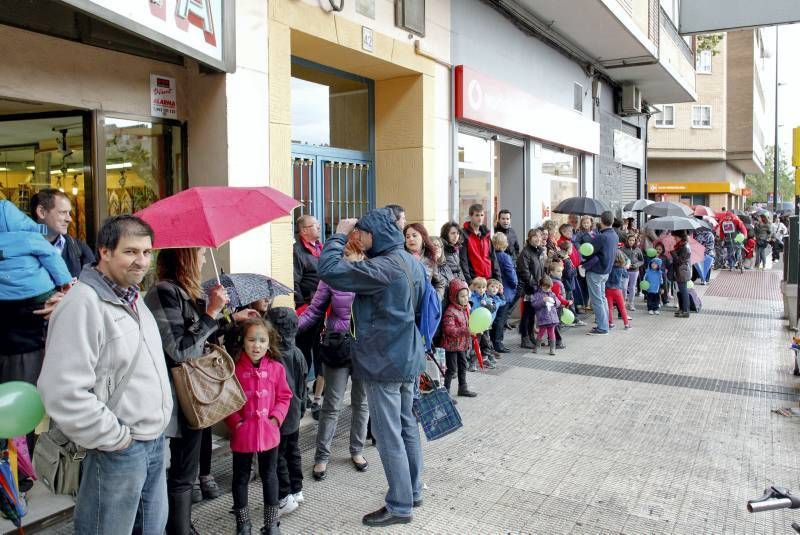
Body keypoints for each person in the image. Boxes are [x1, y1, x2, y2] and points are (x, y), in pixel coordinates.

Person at [38, 215, 173, 534]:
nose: (141, 261)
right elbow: (62, 391)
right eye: (130, 252)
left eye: (146, 252)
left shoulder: (133, 297)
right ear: (104, 252)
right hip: (117, 450)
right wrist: (117, 439)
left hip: (153, 442)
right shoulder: (82, 304)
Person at [318, 208, 426, 527]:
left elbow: (328, 269)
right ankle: (413, 490)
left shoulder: (381, 267)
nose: (356, 237)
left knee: (386, 431)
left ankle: (399, 504)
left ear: (373, 235)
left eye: (360, 233)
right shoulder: (409, 261)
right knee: (406, 426)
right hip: (407, 354)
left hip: (385, 361)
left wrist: (338, 233)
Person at [144, 247, 257, 534]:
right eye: (200, 254)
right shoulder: (163, 292)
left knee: (187, 467)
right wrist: (210, 312)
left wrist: (231, 318)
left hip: (196, 393)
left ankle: (182, 525)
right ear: (185, 256)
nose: (205, 259)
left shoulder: (184, 292)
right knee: (181, 471)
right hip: (177, 393)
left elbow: (204, 338)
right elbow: (180, 350)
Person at [299, 239, 369, 482]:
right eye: (346, 254)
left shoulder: (371, 276)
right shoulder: (331, 277)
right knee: (332, 404)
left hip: (364, 347)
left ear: (363, 255)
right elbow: (314, 310)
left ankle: (357, 451)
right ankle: (321, 457)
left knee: (361, 402)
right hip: (338, 345)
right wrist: (291, 329)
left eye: (355, 254)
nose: (351, 259)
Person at [225, 318, 293, 535]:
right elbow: (227, 400)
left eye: (262, 340)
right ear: (243, 341)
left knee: (270, 475)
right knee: (241, 477)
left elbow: (284, 396)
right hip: (243, 432)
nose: (257, 345)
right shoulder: (233, 369)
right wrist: (237, 422)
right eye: (252, 339)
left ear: (269, 342)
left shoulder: (276, 368)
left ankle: (272, 524)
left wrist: (275, 419)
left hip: (269, 431)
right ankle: (243, 524)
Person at [267, 306, 308, 518]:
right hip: (295, 412)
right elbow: (303, 382)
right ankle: (297, 489)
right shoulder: (298, 353)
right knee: (293, 450)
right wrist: (303, 405)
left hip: (279, 413)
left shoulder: (273, 357)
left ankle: (284, 496)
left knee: (279, 455)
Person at [293, 214, 325, 419]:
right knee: (303, 355)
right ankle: (302, 393)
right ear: (304, 230)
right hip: (307, 311)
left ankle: (318, 401)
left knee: (322, 356)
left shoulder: (322, 248)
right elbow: (295, 281)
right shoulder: (297, 252)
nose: (319, 227)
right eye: (314, 225)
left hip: (325, 311)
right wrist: (303, 304)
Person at [30, 188, 95, 278]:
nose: (69, 219)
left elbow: (93, 287)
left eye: (69, 213)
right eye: (63, 212)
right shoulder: (18, 251)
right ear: (42, 212)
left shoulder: (80, 249)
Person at [580, 211, 617, 335]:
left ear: (601, 221)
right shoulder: (614, 235)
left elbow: (588, 251)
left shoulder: (602, 236)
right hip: (606, 271)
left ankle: (602, 327)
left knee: (597, 300)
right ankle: (607, 323)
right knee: (602, 298)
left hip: (596, 271)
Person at [441, 278, 477, 398]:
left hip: (462, 344)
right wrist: (466, 330)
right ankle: (446, 393)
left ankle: (463, 388)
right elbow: (449, 330)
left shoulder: (466, 308)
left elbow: (469, 323)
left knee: (463, 365)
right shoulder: (450, 311)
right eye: (462, 296)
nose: (465, 299)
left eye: (466, 295)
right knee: (451, 369)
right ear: (454, 296)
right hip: (451, 346)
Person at [517, 229, 545, 349]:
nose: (537, 239)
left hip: (537, 288)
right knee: (527, 314)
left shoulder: (538, 252)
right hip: (529, 289)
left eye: (539, 237)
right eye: (534, 237)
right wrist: (534, 286)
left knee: (533, 314)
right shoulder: (526, 253)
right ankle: (525, 338)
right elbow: (525, 272)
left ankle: (531, 336)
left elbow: (541, 271)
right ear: (529, 238)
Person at [459, 204, 500, 284]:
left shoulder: (486, 234)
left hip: (489, 280)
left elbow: (493, 258)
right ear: (471, 216)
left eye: (482, 215)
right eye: (477, 215)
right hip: (475, 281)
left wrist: (498, 281)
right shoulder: (464, 234)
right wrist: (469, 282)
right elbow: (463, 261)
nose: (480, 218)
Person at [491, 232, 517, 353]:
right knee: (501, 319)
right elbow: (511, 276)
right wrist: (515, 285)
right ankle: (498, 343)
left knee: (494, 317)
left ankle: (493, 342)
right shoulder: (505, 257)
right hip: (505, 291)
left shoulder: (491, 256)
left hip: (493, 290)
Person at [405, 222, 445, 297]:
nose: (410, 239)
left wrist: (437, 299)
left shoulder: (430, 259)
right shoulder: (401, 257)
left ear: (423, 238)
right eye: (407, 237)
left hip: (425, 305)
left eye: (414, 235)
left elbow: (440, 282)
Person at [468, 277, 497, 369]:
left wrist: (487, 305)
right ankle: (472, 362)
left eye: (483, 287)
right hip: (475, 326)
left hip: (485, 326)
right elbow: (469, 311)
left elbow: (493, 309)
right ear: (474, 287)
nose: (481, 290)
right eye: (479, 287)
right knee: (475, 343)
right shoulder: (471, 299)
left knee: (486, 342)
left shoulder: (487, 298)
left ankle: (485, 358)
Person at [530, 276, 560, 355]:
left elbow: (558, 302)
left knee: (551, 333)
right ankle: (537, 346)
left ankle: (552, 348)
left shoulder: (552, 294)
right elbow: (534, 304)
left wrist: (555, 301)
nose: (547, 289)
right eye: (545, 287)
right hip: (543, 318)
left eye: (548, 287)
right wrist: (543, 301)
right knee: (541, 332)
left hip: (552, 318)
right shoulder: (537, 295)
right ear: (541, 286)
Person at [605, 251, 631, 330]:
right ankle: (626, 324)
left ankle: (610, 323)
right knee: (622, 307)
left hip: (608, 290)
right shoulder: (621, 268)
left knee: (609, 308)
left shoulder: (608, 267)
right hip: (617, 290)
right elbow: (626, 275)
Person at [671, 230, 692, 318]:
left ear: (680, 237)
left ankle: (686, 311)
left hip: (682, 272)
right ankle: (682, 308)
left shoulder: (685, 247)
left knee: (684, 291)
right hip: (680, 271)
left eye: (675, 237)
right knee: (680, 291)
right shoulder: (681, 245)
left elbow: (679, 261)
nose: (674, 239)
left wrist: (673, 252)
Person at [621, 234, 644, 311]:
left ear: (635, 241)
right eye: (630, 240)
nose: (631, 242)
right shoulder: (623, 249)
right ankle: (623, 302)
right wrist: (625, 265)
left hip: (635, 271)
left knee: (632, 287)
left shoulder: (638, 249)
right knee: (624, 287)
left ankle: (631, 303)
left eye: (633, 240)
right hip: (625, 271)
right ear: (627, 240)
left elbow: (641, 260)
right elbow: (620, 259)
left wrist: (636, 265)